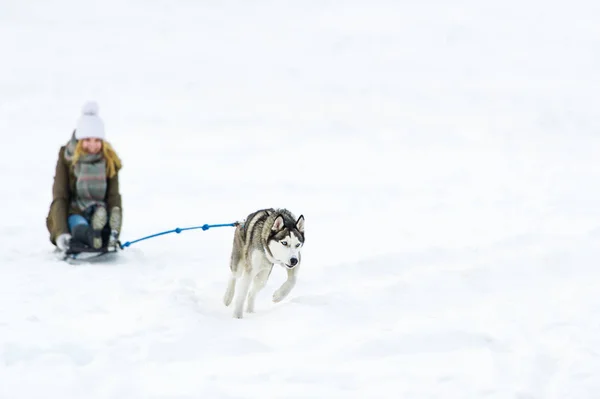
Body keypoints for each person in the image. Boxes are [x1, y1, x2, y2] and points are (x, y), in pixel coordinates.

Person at [46, 101, 123, 252]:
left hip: (100, 212)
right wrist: (62, 235)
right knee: (79, 227)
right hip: (75, 212)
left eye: (97, 140)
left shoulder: (109, 160)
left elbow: (113, 196)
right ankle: (92, 236)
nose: (92, 145)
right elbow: (60, 196)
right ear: (80, 140)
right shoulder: (67, 157)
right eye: (87, 140)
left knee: (104, 222)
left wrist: (116, 231)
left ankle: (106, 235)